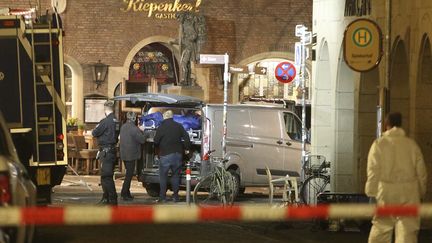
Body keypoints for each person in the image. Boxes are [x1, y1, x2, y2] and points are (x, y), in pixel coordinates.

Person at [365, 112, 427, 243]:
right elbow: (421, 172)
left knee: (381, 229)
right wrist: (421, 191)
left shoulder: (379, 144)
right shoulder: (411, 145)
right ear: (401, 125)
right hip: (409, 191)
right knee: (407, 232)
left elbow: (373, 170)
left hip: (386, 191)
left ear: (386, 125)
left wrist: (371, 191)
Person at [154, 110, 191, 203]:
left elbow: (156, 141)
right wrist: (187, 149)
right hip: (177, 155)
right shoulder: (178, 126)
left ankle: (162, 197)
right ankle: (175, 197)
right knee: (175, 176)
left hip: (165, 155)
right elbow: (187, 137)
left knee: (163, 176)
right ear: (172, 117)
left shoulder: (161, 127)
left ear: (164, 117)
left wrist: (157, 149)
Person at [92, 100, 120, 205]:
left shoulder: (105, 121)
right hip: (112, 151)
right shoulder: (117, 121)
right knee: (106, 175)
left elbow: (95, 132)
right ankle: (106, 197)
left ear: (105, 109)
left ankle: (112, 199)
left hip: (106, 152)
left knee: (106, 176)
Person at [119, 111, 147, 201]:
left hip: (124, 154)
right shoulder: (134, 129)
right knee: (129, 175)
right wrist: (143, 131)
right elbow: (142, 140)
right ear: (134, 119)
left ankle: (127, 193)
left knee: (128, 174)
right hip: (131, 155)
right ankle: (124, 193)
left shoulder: (123, 127)